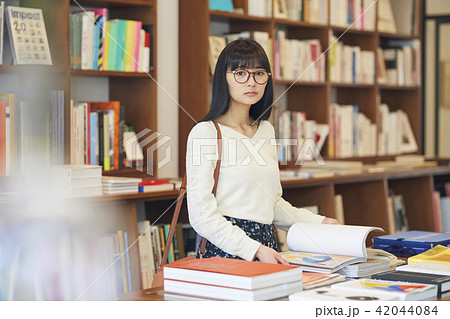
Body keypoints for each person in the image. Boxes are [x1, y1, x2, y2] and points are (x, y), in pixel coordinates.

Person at [186, 39, 339, 264]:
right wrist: (254, 250)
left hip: (268, 246)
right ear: (223, 78)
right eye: (240, 73)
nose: (251, 82)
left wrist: (319, 223)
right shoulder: (206, 132)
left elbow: (271, 204)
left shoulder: (265, 130)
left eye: (259, 73)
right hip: (227, 251)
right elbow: (200, 215)